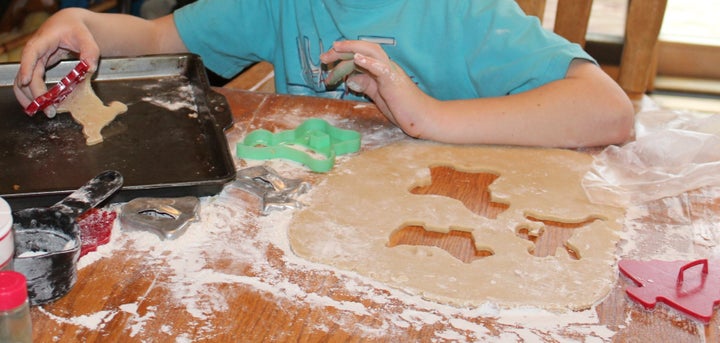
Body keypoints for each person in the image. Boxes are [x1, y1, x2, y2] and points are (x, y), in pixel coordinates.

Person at [14, 0, 634, 148]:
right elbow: (156, 36)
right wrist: (84, 24)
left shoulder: (463, 13)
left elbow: (609, 110)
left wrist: (430, 116)